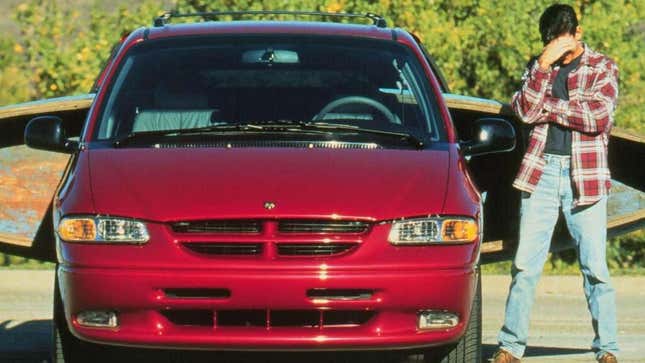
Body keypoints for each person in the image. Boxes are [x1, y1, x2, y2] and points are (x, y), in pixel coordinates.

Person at [492, 4, 619, 363]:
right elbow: (526, 111)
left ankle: (607, 349)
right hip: (542, 172)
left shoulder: (602, 67)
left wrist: (551, 107)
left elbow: (598, 116)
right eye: (551, 44)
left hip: (586, 176)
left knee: (595, 268)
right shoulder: (540, 67)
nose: (558, 49)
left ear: (577, 33)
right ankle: (510, 346)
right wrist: (543, 68)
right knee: (525, 266)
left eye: (562, 41)